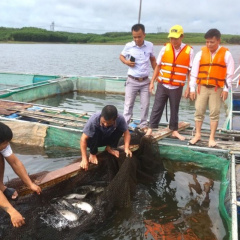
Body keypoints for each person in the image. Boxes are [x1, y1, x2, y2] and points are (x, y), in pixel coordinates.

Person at [145, 25, 194, 140]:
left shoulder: (189, 51)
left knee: (174, 108)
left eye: (176, 38)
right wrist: (152, 81)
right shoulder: (165, 48)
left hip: (177, 86)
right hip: (163, 84)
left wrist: (189, 88)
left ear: (182, 37)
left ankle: (174, 130)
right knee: (157, 106)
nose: (173, 41)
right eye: (171, 38)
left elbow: (189, 71)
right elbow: (158, 66)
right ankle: (151, 129)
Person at [189, 28, 235, 147]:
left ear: (218, 41)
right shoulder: (200, 53)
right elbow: (194, 73)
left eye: (212, 42)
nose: (209, 44)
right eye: (207, 42)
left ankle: (212, 138)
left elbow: (230, 74)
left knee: (214, 112)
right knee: (199, 110)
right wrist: (192, 88)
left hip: (216, 88)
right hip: (202, 87)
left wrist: (226, 89)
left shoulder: (226, 54)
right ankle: (197, 134)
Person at [0, 122, 41, 227]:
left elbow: (15, 162)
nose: (8, 145)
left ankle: (1, 186)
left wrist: (30, 184)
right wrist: (12, 212)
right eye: (5, 143)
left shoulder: (3, 145)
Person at [120, 23, 156, 130]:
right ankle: (124, 126)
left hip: (145, 81)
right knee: (128, 105)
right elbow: (121, 56)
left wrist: (158, 74)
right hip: (132, 80)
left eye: (139, 37)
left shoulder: (150, 45)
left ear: (144, 34)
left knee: (145, 105)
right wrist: (126, 62)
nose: (137, 39)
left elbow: (153, 60)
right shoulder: (129, 46)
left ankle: (143, 125)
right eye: (134, 37)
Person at [79, 105, 132, 171]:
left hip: (106, 138)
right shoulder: (94, 119)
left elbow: (126, 133)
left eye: (109, 123)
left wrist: (126, 148)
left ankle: (109, 148)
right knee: (96, 131)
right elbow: (83, 139)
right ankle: (92, 153)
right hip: (93, 141)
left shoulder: (120, 118)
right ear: (101, 116)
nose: (106, 124)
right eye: (103, 122)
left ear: (115, 119)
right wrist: (84, 159)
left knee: (120, 130)